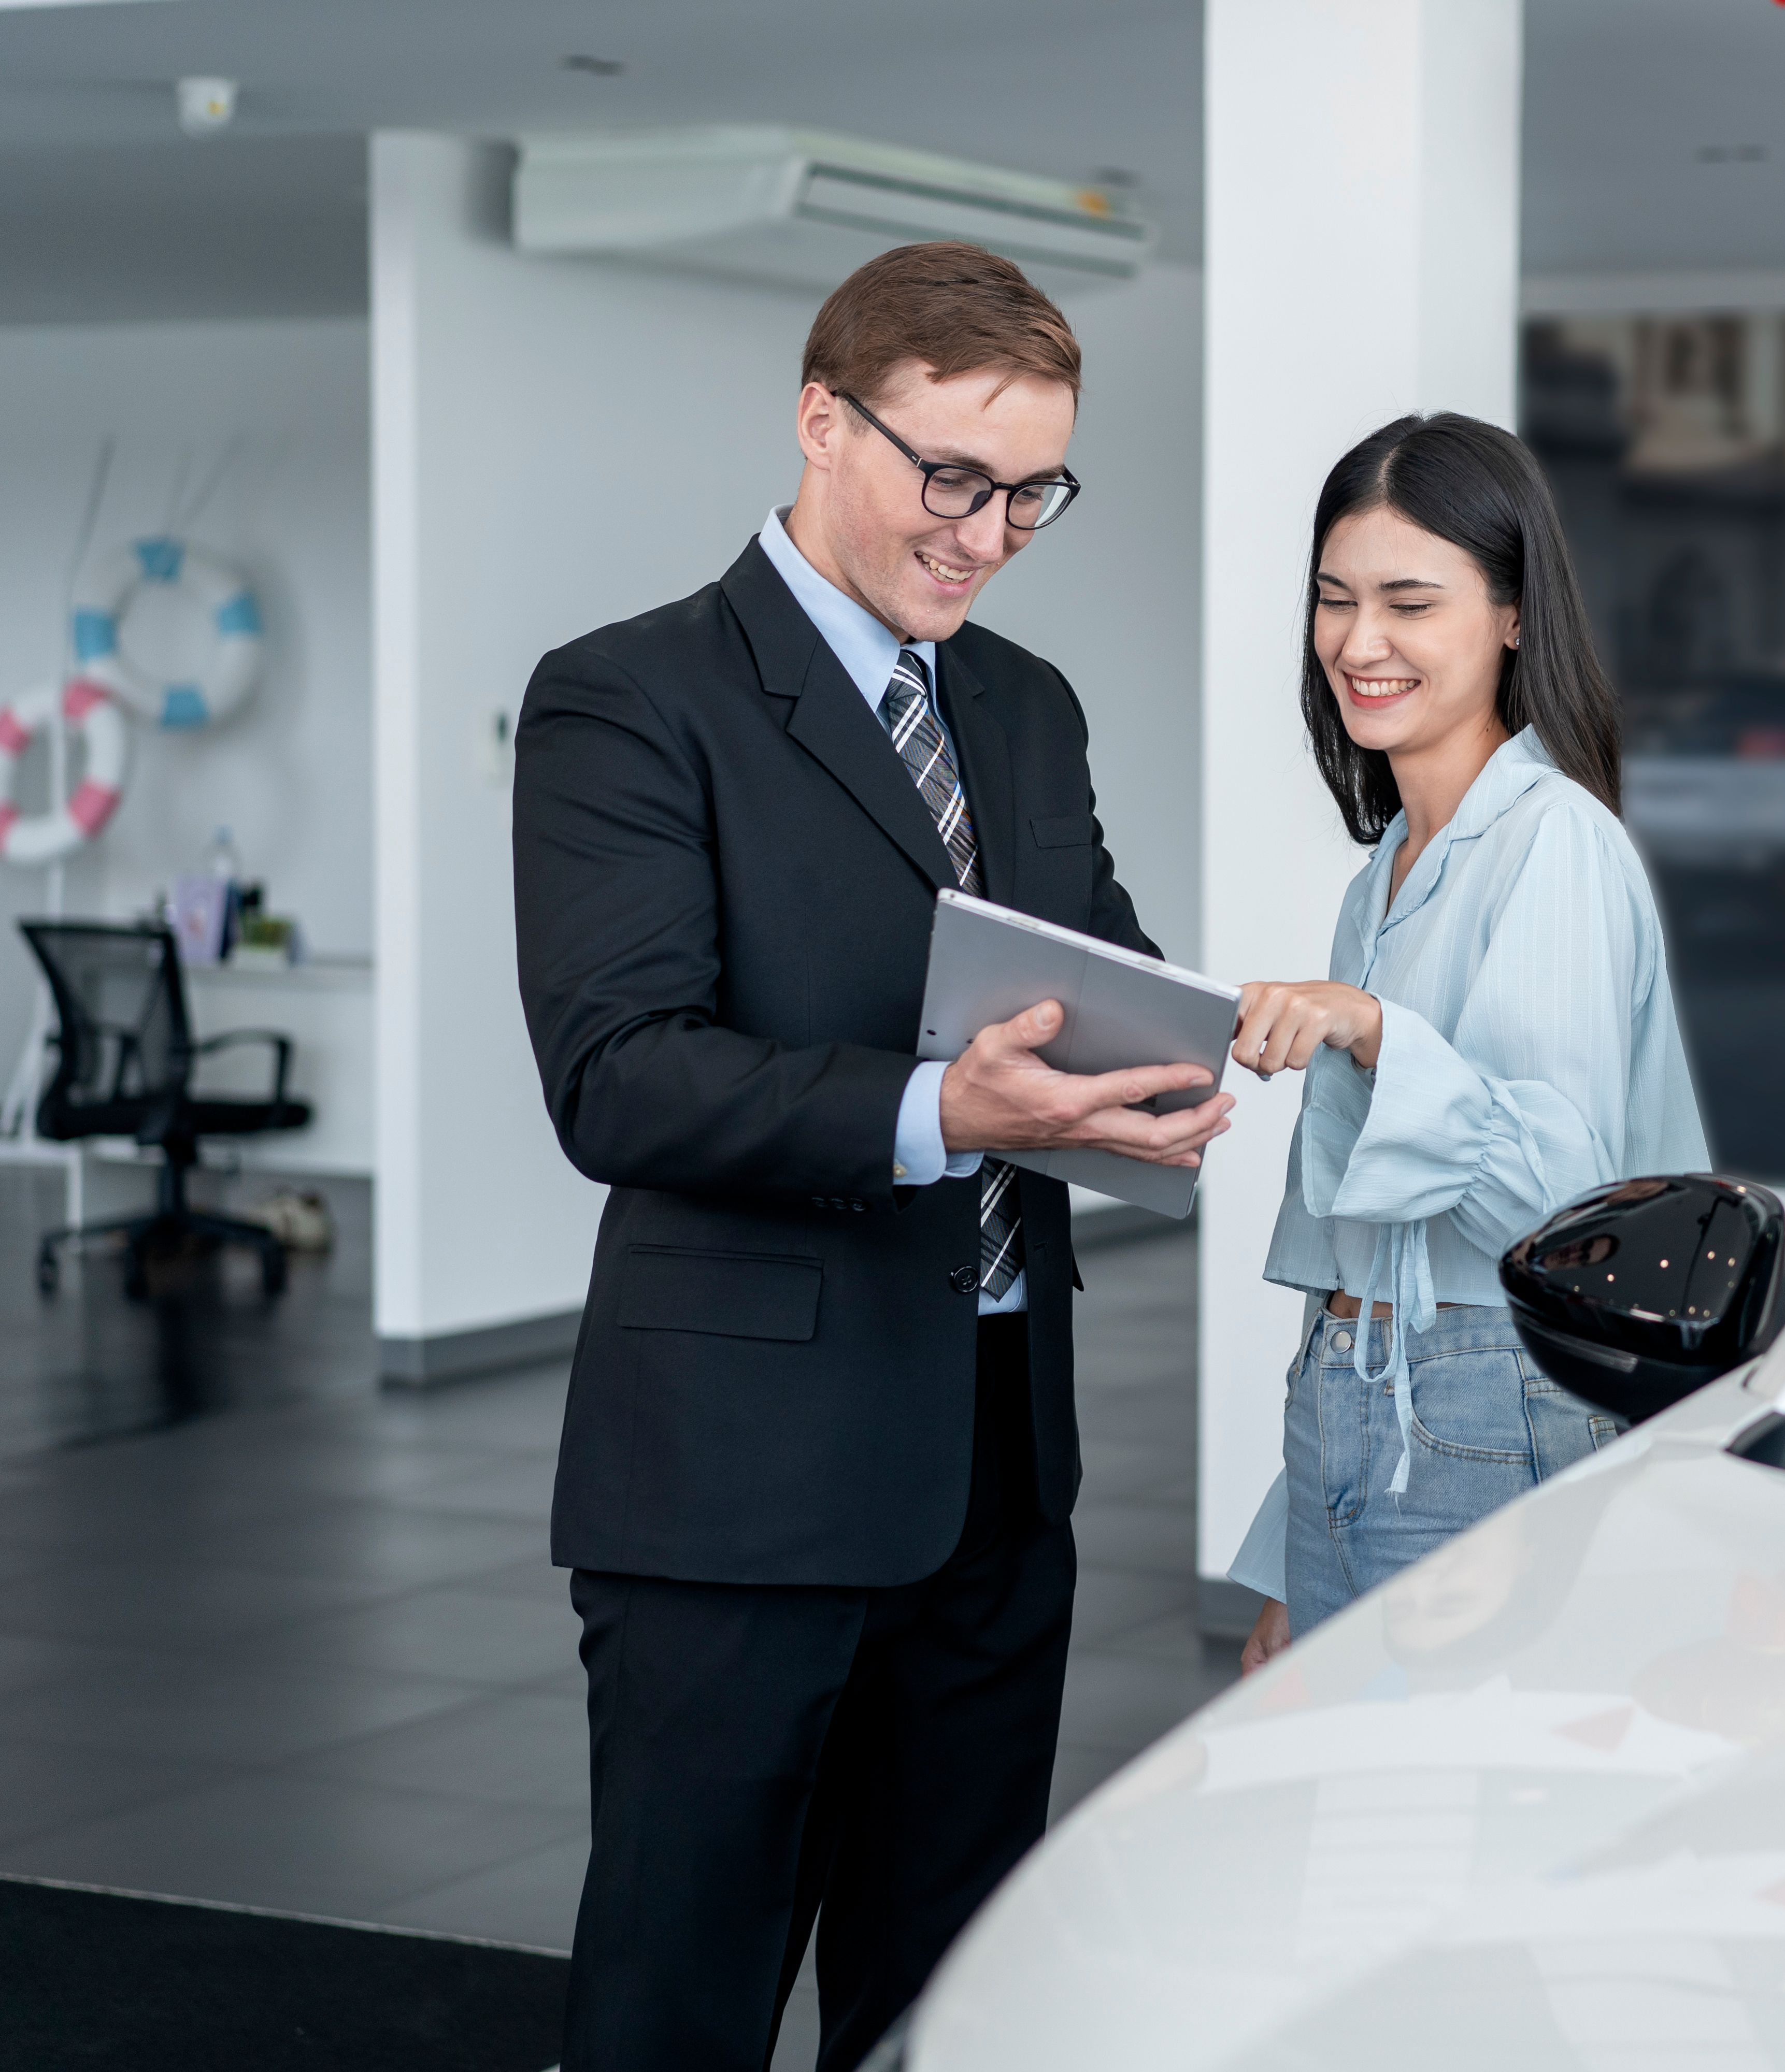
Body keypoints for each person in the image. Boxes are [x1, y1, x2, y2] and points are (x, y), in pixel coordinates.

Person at [511, 241, 1232, 2072]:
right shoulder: (628, 698)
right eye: (955, 478)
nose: (990, 534)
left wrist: (1160, 1079)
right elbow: (622, 1080)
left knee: (947, 2000)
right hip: (741, 1491)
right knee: (683, 1996)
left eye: (1033, 493)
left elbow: (1097, 975)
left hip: (996, 1462)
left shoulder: (1026, 706)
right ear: (824, 421)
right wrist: (941, 1115)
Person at [1225, 412, 1708, 1672]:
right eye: (1334, 600)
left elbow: (1561, 1206)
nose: (1358, 642)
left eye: (1407, 601)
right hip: (1352, 1396)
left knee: (1437, 1832)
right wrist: (1294, 1544)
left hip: (1480, 1399)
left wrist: (1379, 1033)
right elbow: (1365, 1237)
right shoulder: (1385, 868)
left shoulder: (1557, 840)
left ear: (1509, 615)